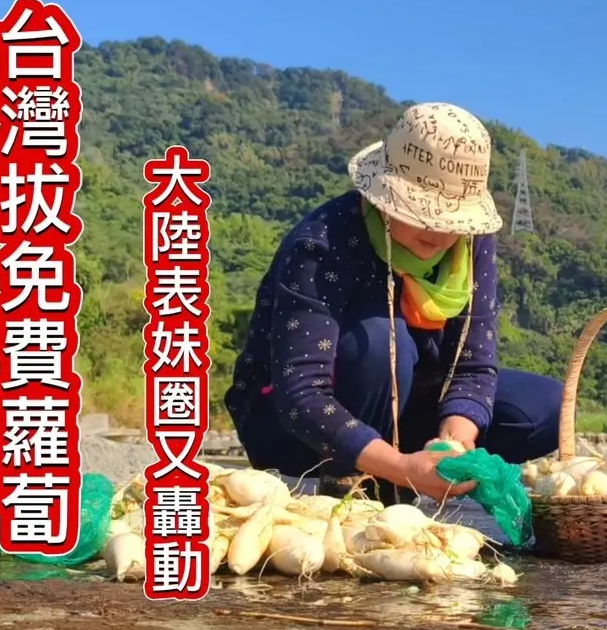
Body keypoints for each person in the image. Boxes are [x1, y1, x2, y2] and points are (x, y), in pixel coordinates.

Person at [224, 102, 563, 504]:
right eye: (423, 212)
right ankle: (362, 481)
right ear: (385, 196)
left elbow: (473, 364)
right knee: (382, 342)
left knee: (548, 406)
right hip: (296, 426)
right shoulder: (323, 243)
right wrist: (400, 469)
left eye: (452, 221)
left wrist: (454, 438)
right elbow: (301, 394)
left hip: (411, 406)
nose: (439, 231)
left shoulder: (470, 243)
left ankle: (417, 470)